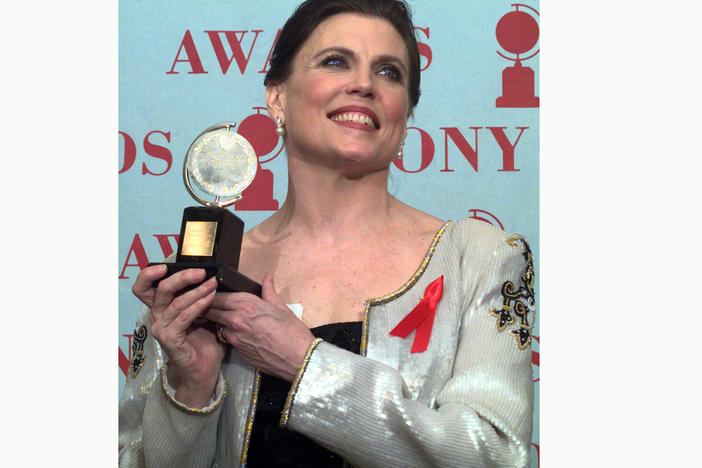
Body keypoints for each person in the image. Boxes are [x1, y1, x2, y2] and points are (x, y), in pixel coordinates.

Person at [118, 0, 535, 466]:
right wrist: (190, 390)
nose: (364, 84)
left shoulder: (477, 256)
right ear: (277, 96)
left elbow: (498, 456)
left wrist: (305, 364)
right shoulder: (199, 277)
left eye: (390, 72)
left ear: (405, 114)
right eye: (336, 61)